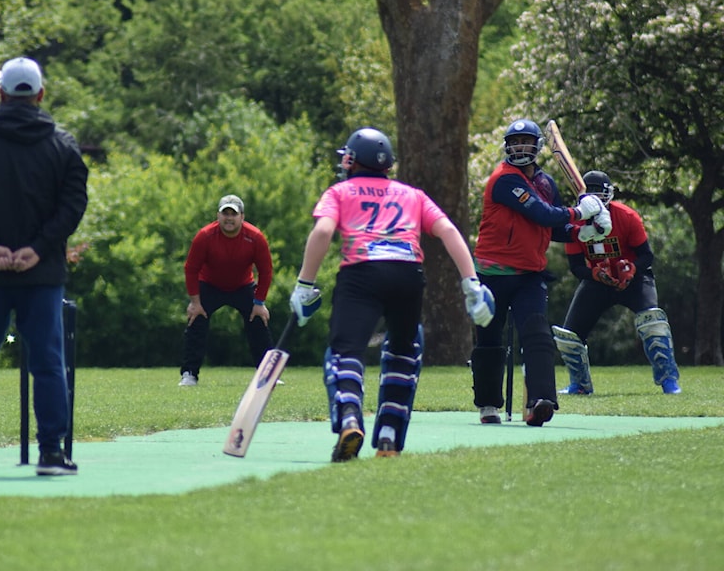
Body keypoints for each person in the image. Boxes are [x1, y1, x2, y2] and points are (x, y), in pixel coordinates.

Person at [290, 127, 495, 462]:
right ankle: (388, 434)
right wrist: (471, 283)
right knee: (404, 349)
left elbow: (324, 230)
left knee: (344, 352)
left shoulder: (340, 191)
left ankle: (350, 419)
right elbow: (447, 230)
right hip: (407, 274)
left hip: (361, 274)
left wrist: (305, 284)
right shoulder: (411, 194)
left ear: (353, 160)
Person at [0, 56, 88, 476]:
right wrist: (39, 248)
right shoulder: (63, 144)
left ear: (1, 92)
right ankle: (50, 453)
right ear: (40, 94)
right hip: (41, 273)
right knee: (47, 361)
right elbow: (73, 204)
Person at [469, 119, 611, 427]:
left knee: (537, 334)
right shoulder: (504, 180)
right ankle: (488, 404)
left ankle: (540, 401)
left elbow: (557, 227)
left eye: (525, 142)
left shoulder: (546, 183)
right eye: (514, 142)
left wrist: (586, 231)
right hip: (492, 273)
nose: (519, 147)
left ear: (537, 147)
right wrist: (582, 211)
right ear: (507, 147)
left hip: (529, 275)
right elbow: (540, 213)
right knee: (489, 341)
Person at [553, 170, 681, 395]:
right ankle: (580, 385)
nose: (595, 198)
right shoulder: (576, 223)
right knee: (570, 335)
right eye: (589, 192)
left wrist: (631, 270)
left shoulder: (626, 216)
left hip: (634, 278)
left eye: (599, 193)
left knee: (652, 320)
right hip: (598, 281)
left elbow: (646, 256)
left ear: (609, 195)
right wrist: (595, 275)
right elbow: (576, 267)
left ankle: (669, 380)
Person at [180, 194, 273, 386]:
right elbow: (191, 269)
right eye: (225, 213)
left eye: (233, 214)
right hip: (209, 285)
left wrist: (259, 302)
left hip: (243, 286)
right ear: (218, 215)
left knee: (258, 320)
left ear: (242, 217)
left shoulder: (255, 237)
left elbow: (266, 270)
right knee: (196, 321)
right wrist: (195, 302)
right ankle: (189, 374)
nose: (229, 218)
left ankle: (268, 375)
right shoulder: (205, 236)